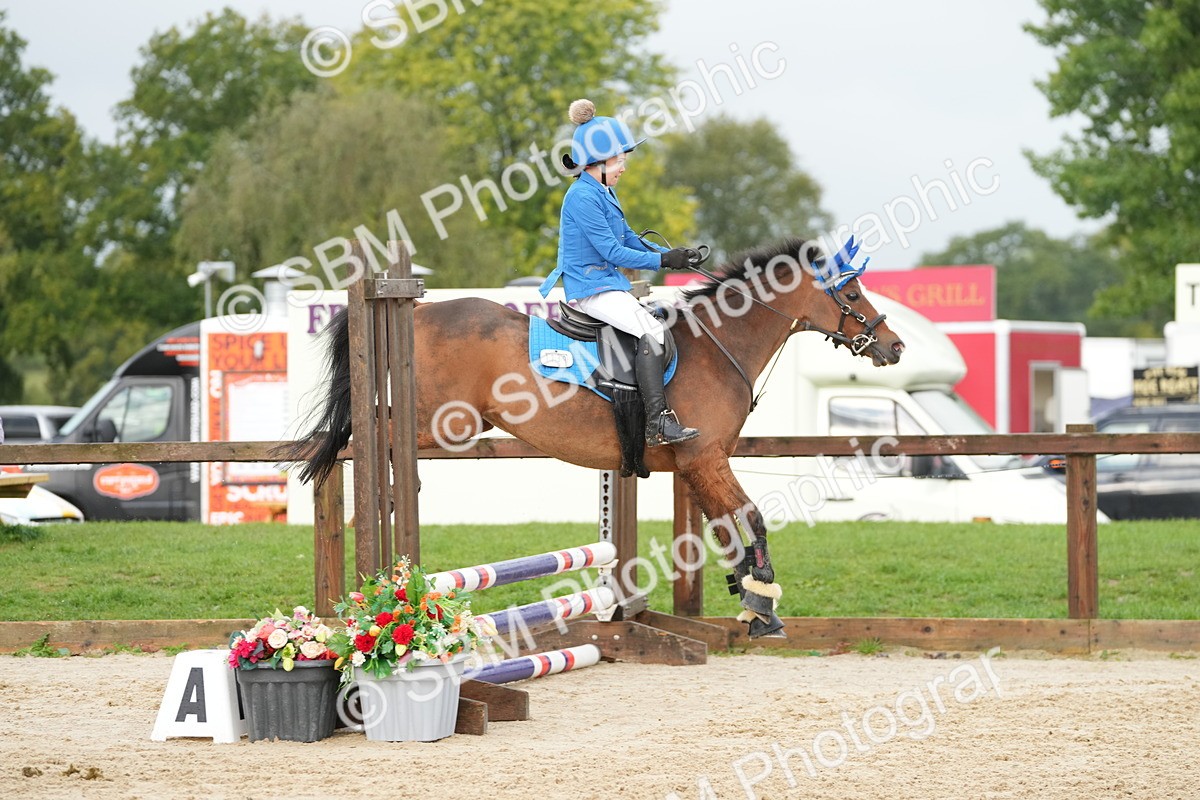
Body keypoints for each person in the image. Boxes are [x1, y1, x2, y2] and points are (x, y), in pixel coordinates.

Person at [539, 98, 700, 447]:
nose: (623, 166)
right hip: (591, 288)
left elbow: (628, 237)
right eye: (619, 160)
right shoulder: (582, 197)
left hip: (607, 284)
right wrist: (661, 263)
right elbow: (611, 251)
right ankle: (657, 423)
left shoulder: (603, 191)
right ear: (597, 162)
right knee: (652, 330)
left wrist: (672, 255)